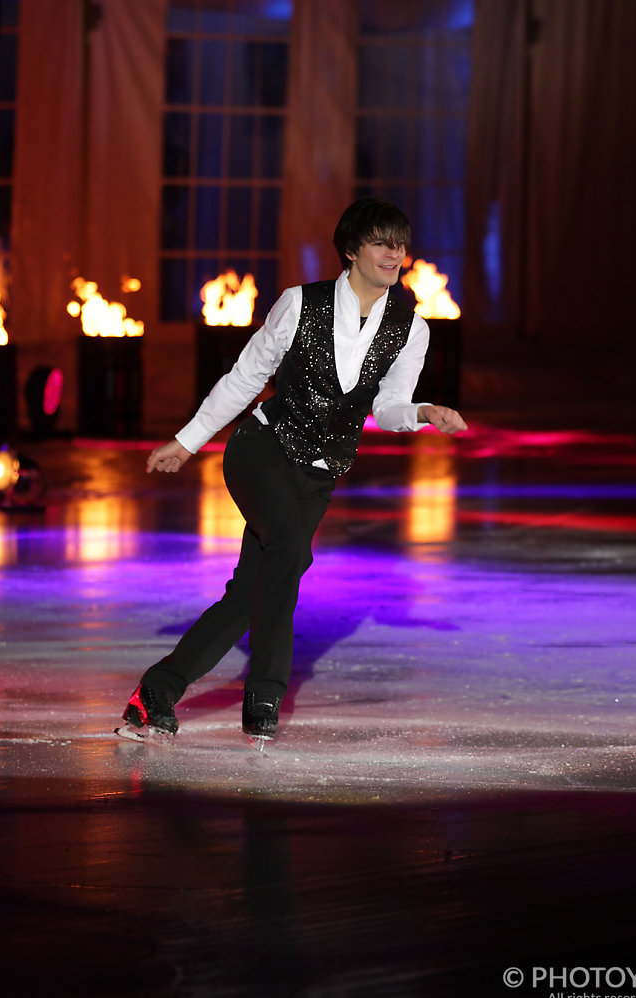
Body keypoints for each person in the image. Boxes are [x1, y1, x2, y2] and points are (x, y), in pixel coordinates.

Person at [116, 197, 467, 745]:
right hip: (262, 449)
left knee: (251, 590)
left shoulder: (410, 328)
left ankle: (156, 691)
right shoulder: (299, 304)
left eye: (398, 244)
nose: (392, 254)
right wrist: (187, 442)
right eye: (379, 242)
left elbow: (388, 407)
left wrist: (422, 412)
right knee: (291, 553)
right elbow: (243, 376)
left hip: (320, 473)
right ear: (351, 250)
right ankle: (265, 694)